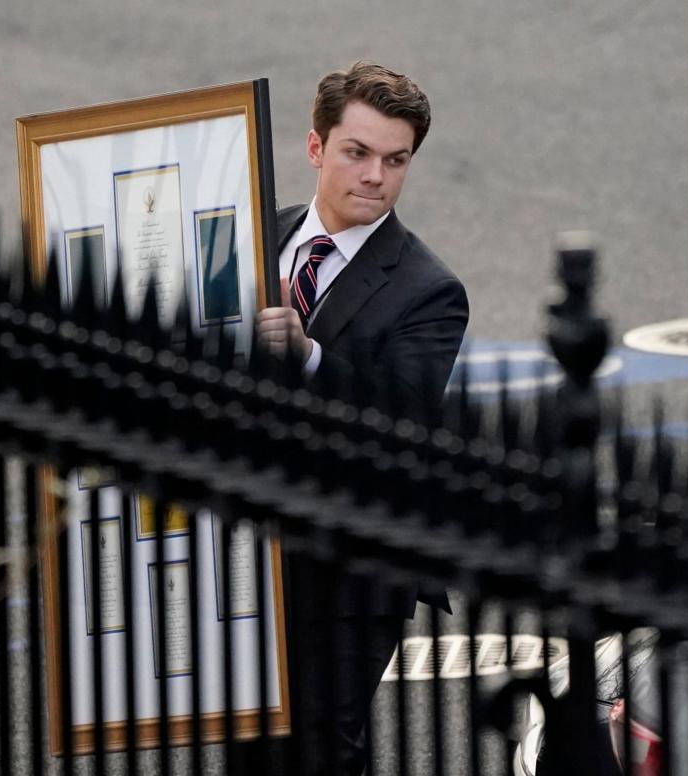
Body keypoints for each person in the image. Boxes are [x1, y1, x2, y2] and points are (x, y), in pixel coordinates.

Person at [254, 61, 470, 776]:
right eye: (358, 152)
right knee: (250, 742)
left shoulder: (430, 290)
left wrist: (309, 355)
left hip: (353, 568)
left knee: (319, 748)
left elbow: (401, 415)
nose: (376, 175)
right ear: (317, 149)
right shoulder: (258, 234)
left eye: (396, 159)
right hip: (250, 552)